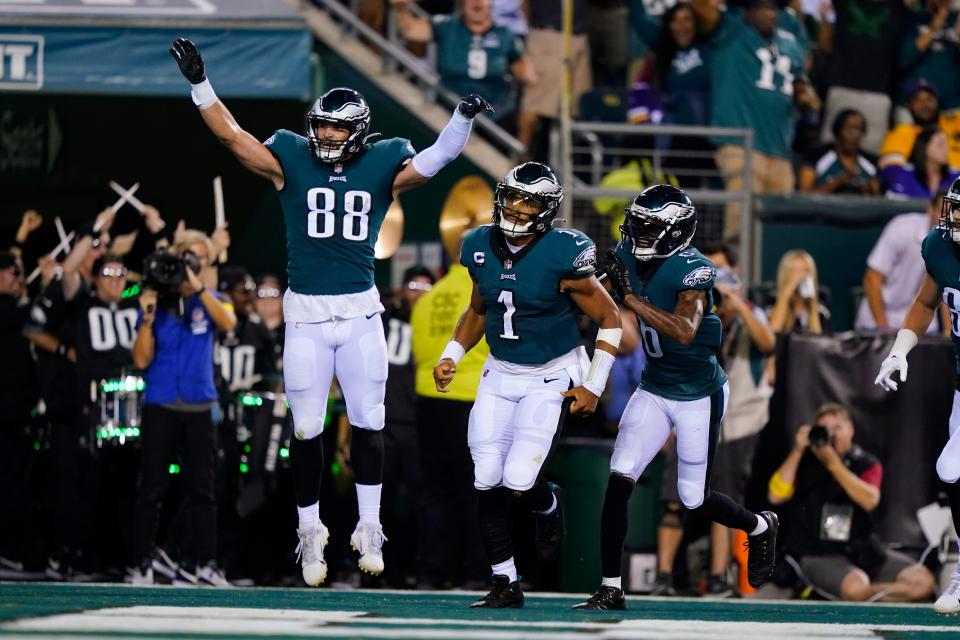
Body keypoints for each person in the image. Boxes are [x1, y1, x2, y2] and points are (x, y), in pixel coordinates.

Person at [170, 36, 492, 585]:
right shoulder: (291, 156)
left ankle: (370, 525)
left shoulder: (384, 160)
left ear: (359, 131)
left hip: (361, 311)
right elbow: (233, 138)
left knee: (370, 423)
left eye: (336, 128)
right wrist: (200, 83)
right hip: (306, 315)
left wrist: (461, 119)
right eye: (320, 125)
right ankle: (309, 531)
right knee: (306, 428)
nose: (325, 135)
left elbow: (436, 161)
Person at [574, 185, 778, 611]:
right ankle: (611, 586)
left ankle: (758, 526)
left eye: (647, 228)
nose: (635, 234)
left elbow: (684, 330)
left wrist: (628, 298)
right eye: (636, 224)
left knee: (693, 498)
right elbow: (594, 297)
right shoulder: (628, 255)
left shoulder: (695, 270)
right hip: (654, 385)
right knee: (619, 477)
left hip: (698, 393)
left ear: (673, 232)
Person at [434, 162, 622, 607]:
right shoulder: (478, 244)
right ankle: (505, 581)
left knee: (519, 477)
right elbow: (479, 310)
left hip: (550, 373)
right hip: (499, 371)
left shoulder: (564, 252)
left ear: (547, 209)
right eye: (513, 197)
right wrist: (451, 354)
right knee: (486, 476)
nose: (517, 208)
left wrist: (593, 384)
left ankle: (547, 503)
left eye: (530, 201)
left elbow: (610, 318)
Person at [651, 249, 777, 598]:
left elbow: (768, 343)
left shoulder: (751, 318)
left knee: (723, 499)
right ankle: (663, 576)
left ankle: (720, 577)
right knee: (674, 498)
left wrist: (739, 305)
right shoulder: (689, 313)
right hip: (690, 412)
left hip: (736, 423)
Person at [129, 230, 236, 586]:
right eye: (187, 257)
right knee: (152, 488)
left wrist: (199, 287)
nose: (193, 263)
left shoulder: (211, 298)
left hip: (199, 403)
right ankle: (141, 562)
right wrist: (146, 319)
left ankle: (202, 562)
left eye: (200, 259)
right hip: (160, 401)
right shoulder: (155, 302)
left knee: (202, 491)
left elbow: (229, 323)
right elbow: (141, 359)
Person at [876, 175, 960, 614]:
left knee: (951, 467)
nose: (956, 218)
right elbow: (927, 302)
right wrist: (899, 351)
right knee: (952, 473)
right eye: (955, 208)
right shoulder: (940, 245)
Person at [767, 404, 935, 602]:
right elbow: (775, 496)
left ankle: (870, 596)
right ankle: (878, 596)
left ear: (851, 430)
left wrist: (833, 463)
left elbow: (869, 500)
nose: (831, 434)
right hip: (819, 553)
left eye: (837, 427)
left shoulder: (865, 463)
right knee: (856, 588)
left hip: (862, 550)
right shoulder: (804, 462)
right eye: (824, 428)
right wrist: (797, 451)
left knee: (923, 581)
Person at [692, 0, 821, 242]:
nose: (769, 13)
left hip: (780, 147)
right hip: (740, 143)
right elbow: (700, 7)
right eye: (761, 7)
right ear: (747, 10)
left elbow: (799, 74)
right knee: (741, 223)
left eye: (772, 8)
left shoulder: (790, 34)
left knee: (779, 229)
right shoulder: (732, 29)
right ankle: (739, 275)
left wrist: (804, 92)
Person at [411, 239, 490, 589]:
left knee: (434, 491)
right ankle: (475, 573)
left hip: (429, 400)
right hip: (472, 398)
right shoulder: (485, 291)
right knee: (476, 490)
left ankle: (431, 571)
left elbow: (418, 351)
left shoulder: (429, 296)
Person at [376, 265, 435, 587]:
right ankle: (379, 569)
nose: (418, 293)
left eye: (427, 287)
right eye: (413, 285)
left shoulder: (441, 324)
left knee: (421, 502)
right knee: (379, 500)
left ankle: (421, 569)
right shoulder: (385, 320)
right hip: (384, 422)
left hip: (421, 425)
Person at [391, 0, 536, 126]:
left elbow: (524, 71)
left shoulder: (504, 33)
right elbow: (411, 30)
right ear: (463, 3)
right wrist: (401, 9)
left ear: (491, 4)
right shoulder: (447, 25)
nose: (477, 2)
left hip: (495, 115)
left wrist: (532, 82)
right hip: (448, 110)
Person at [0, 250, 39, 574]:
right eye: (11, 272)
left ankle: (11, 551)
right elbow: (31, 320)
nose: (18, 277)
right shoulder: (10, 308)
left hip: (17, 411)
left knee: (17, 484)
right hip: (8, 412)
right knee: (10, 484)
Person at [855, 191, 945, 332]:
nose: (947, 218)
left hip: (921, 323)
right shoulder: (902, 228)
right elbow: (872, 278)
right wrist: (883, 327)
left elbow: (948, 292)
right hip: (877, 322)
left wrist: (948, 336)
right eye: (942, 211)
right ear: (930, 209)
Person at [516, 0, 591, 154]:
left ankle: (560, 164)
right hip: (548, 35)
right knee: (534, 106)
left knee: (575, 108)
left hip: (578, 36)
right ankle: (519, 159)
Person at [880, 79, 960, 170]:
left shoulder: (955, 121)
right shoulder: (902, 132)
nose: (925, 104)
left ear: (937, 102)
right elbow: (891, 169)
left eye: (929, 99)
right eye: (917, 100)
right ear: (909, 105)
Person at [798, 110, 880, 195]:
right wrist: (837, 183)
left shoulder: (871, 162)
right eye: (849, 129)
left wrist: (867, 189)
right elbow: (804, 195)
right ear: (838, 130)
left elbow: (876, 197)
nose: (855, 135)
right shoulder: (815, 155)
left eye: (859, 130)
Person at [881, 127, 959, 200]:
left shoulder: (956, 177)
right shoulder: (904, 175)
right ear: (924, 148)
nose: (946, 149)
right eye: (940, 144)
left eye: (947, 145)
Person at [768, 249, 831, 335]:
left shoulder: (821, 313)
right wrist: (784, 297)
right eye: (794, 271)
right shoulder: (771, 306)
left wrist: (812, 308)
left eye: (805, 270)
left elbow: (820, 343)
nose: (801, 276)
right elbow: (771, 338)